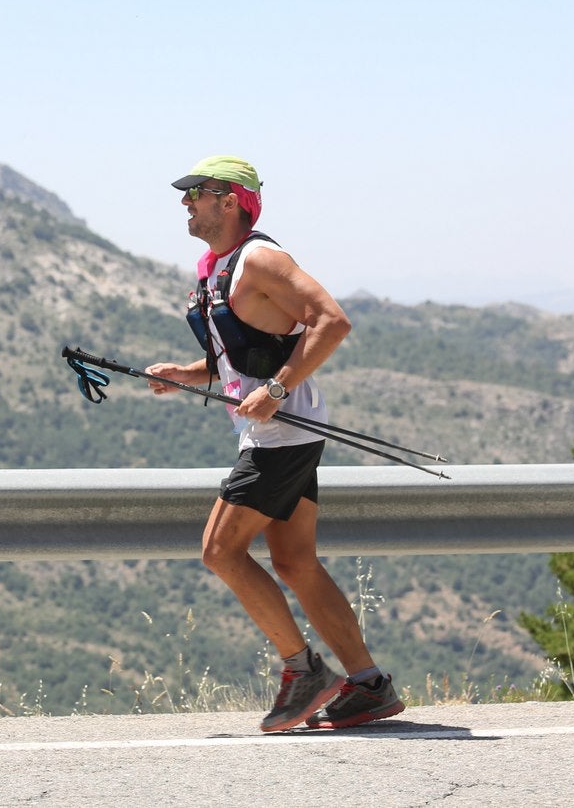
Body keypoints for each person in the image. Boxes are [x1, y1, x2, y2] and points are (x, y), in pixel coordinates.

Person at [145, 155, 404, 733]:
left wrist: (280, 390)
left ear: (230, 199)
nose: (185, 203)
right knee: (293, 560)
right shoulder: (218, 268)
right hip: (277, 430)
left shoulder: (261, 259)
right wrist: (185, 376)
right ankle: (368, 686)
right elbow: (243, 357)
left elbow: (331, 321)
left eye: (197, 193)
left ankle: (305, 670)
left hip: (281, 434)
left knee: (219, 550)